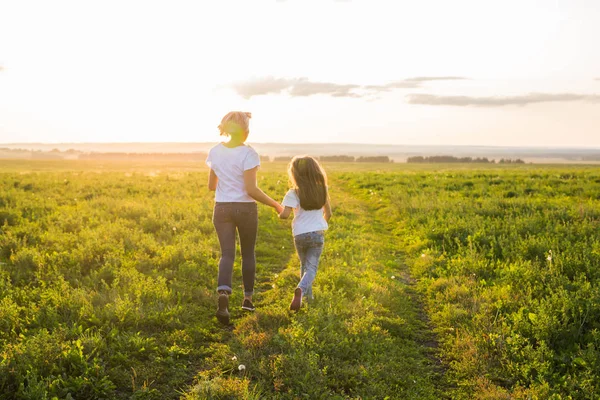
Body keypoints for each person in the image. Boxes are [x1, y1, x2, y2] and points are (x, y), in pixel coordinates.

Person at [206, 111, 283, 325]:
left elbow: (212, 186)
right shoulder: (249, 154)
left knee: (227, 254)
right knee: (248, 253)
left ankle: (223, 294)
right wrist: (276, 205)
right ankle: (247, 299)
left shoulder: (215, 151)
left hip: (221, 208)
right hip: (246, 209)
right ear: (246, 131)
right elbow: (251, 190)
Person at [279, 156, 332, 311]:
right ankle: (301, 290)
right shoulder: (322, 189)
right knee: (311, 268)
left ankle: (307, 298)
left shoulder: (293, 193)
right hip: (317, 233)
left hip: (300, 235)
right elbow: (328, 213)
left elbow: (284, 215)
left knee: (304, 265)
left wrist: (279, 212)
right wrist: (320, 224)